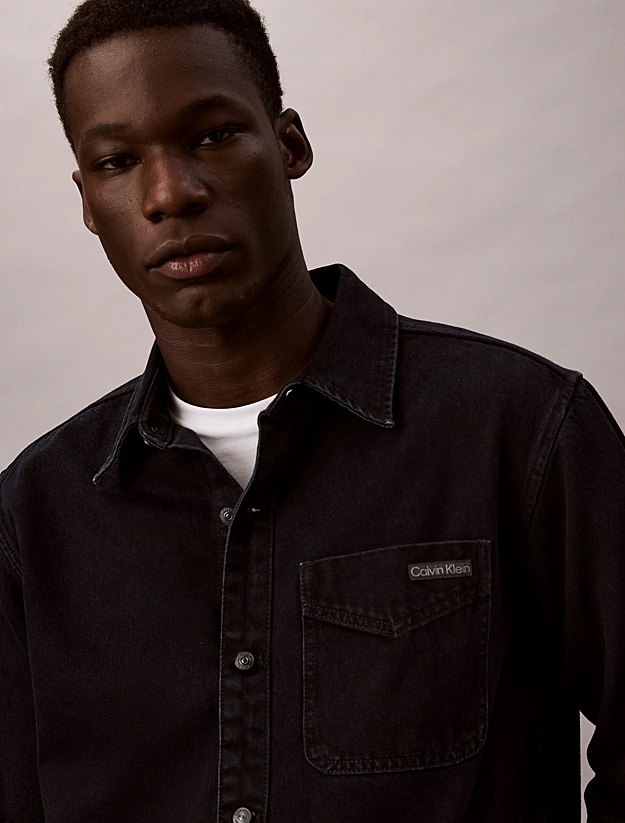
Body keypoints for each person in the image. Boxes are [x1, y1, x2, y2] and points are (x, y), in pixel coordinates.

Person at [1, 0, 623, 820]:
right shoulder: (33, 514)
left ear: (289, 144)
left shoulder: (520, 428)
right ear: (87, 200)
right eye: (118, 161)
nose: (171, 194)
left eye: (212, 135)